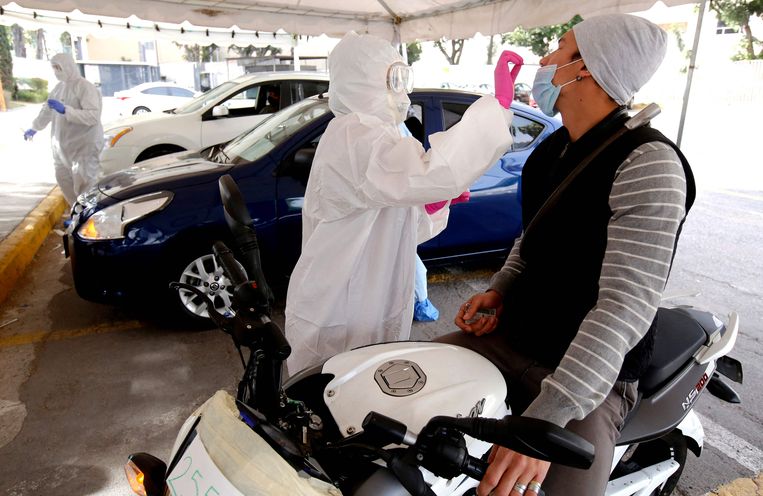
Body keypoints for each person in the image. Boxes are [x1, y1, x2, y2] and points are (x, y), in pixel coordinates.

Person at [437, 14, 695, 496]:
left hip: (591, 378)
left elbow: (623, 306)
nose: (545, 59)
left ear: (587, 68)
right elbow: (532, 237)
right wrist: (500, 289)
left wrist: (547, 419)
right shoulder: (554, 148)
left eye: (559, 48)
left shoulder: (649, 164)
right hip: (515, 340)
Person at [284, 32, 516, 373]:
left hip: (366, 299)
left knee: (368, 382)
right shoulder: (354, 133)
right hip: (339, 305)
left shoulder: (380, 133)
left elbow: (400, 224)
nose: (402, 91)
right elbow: (433, 173)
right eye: (393, 79)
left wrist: (430, 207)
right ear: (362, 81)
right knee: (330, 385)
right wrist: (496, 110)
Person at [23, 53, 103, 205]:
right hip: (61, 148)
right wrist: (35, 127)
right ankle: (76, 212)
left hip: (82, 147)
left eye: (58, 67)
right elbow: (47, 111)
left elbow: (93, 116)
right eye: (54, 68)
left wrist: (66, 110)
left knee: (85, 183)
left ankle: (89, 214)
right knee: (64, 180)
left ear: (68, 66)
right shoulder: (58, 89)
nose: (56, 71)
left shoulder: (85, 87)